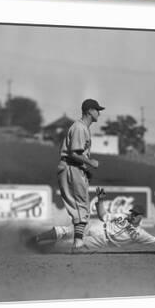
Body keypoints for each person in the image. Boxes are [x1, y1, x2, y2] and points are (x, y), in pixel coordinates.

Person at [35, 187, 155, 252]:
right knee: (66, 231)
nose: (132, 215)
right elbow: (104, 216)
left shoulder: (140, 234)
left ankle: (39, 249)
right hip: (97, 225)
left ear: (141, 217)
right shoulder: (122, 216)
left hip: (101, 241)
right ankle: (37, 238)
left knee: (69, 245)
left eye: (135, 214)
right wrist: (100, 201)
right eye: (132, 212)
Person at [57, 99, 103, 249]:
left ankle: (78, 242)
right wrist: (91, 163)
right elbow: (74, 153)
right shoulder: (80, 128)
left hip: (73, 167)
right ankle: (78, 244)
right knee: (81, 207)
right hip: (72, 167)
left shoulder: (81, 128)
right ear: (89, 111)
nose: (99, 113)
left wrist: (85, 168)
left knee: (79, 209)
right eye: (97, 110)